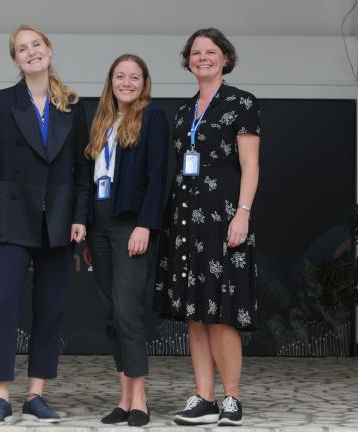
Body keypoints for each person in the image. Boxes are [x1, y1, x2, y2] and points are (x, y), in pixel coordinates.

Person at [0, 24, 90, 424]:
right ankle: (2, 395)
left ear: (49, 49)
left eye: (36, 45)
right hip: (10, 219)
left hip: (58, 221)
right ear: (15, 60)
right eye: (21, 49)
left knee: (50, 308)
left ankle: (36, 393)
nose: (30, 53)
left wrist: (79, 216)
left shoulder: (73, 106)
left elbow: (82, 170)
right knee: (4, 303)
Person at [153, 28, 261, 427]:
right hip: (185, 215)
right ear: (188, 60)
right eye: (195, 52)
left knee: (221, 311)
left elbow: (250, 165)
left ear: (225, 58)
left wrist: (243, 213)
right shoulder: (183, 112)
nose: (202, 58)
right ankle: (204, 397)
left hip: (224, 214)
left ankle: (231, 398)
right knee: (194, 312)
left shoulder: (242, 103)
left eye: (210, 52)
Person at [81, 54, 169, 427]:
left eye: (135, 77)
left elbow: (159, 175)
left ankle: (140, 400)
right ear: (111, 81)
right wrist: (84, 227)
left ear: (144, 82)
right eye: (121, 76)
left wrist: (145, 226)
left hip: (130, 225)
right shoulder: (100, 121)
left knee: (127, 312)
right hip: (98, 226)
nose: (127, 83)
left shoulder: (153, 118)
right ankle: (123, 398)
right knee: (110, 315)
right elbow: (89, 179)